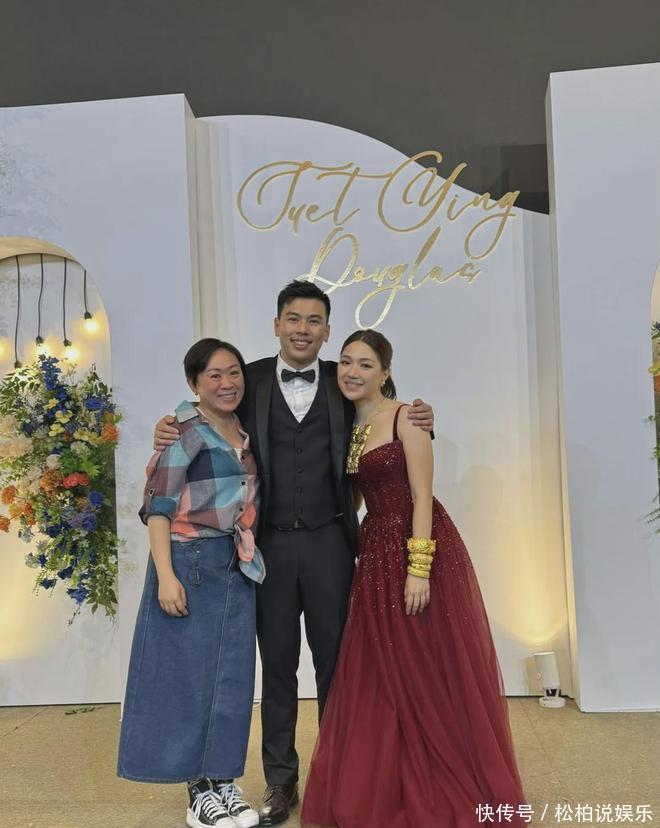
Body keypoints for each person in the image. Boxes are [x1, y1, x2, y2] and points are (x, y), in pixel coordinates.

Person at [153, 280, 435, 826]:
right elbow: (207, 408)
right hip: (268, 547)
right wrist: (170, 424)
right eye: (293, 319)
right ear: (277, 324)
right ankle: (281, 782)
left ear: (327, 330)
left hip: (332, 542)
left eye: (314, 321)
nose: (303, 329)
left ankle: (338, 775)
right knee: (277, 666)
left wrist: (424, 416)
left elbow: (388, 417)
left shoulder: (344, 380)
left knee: (338, 665)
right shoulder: (249, 380)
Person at [301, 329, 526, 828]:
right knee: (383, 669)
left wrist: (418, 569)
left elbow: (423, 495)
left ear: (385, 372)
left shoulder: (407, 417)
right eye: (346, 362)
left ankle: (444, 777)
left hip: (417, 547)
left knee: (425, 666)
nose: (352, 372)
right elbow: (357, 497)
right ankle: (391, 780)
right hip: (375, 552)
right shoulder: (350, 424)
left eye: (365, 364)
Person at [118, 338, 264, 828]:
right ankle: (197, 789)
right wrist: (166, 577)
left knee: (231, 679)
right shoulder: (183, 432)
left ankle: (223, 779)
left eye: (233, 372)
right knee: (190, 679)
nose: (227, 383)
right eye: (214, 375)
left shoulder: (241, 429)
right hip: (191, 560)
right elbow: (158, 508)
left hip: (236, 563)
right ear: (193, 383)